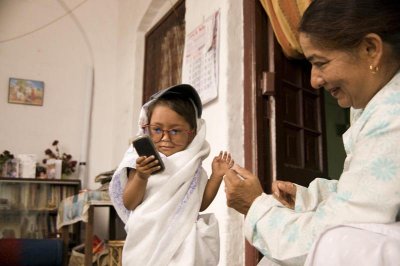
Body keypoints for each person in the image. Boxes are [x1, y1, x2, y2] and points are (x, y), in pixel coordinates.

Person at [224, 0, 400, 265]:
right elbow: (372, 194)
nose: (314, 80)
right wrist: (308, 198)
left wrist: (255, 207)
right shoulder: (373, 104)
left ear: (370, 49)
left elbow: (331, 236)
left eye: (321, 63)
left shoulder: (393, 115)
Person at [109, 84, 234, 266]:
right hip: (145, 239)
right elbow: (129, 202)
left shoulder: (192, 165)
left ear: (192, 134)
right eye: (157, 130)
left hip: (180, 240)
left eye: (175, 131)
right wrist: (141, 177)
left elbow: (199, 204)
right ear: (147, 128)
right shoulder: (142, 161)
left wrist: (216, 176)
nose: (165, 138)